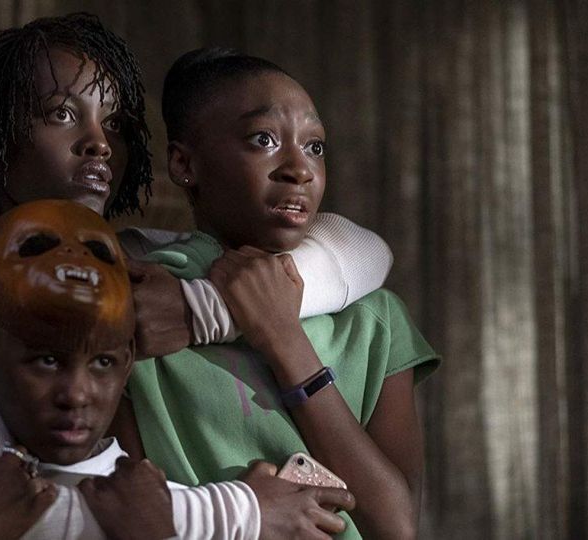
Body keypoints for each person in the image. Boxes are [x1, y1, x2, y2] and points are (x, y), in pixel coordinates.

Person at [0, 12, 395, 526]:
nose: (99, 142)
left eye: (115, 124)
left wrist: (200, 309)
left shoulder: (139, 257)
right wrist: (244, 512)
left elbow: (366, 252)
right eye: (62, 113)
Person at [0, 200, 356, 539]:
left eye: (102, 363)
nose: (76, 394)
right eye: (47, 360)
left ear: (129, 363)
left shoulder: (160, 495)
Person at [112, 48, 441, 540]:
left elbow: (396, 525)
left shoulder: (375, 318)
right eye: (263, 139)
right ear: (183, 163)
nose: (299, 169)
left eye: (315, 146)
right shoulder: (142, 300)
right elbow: (123, 511)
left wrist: (285, 339)